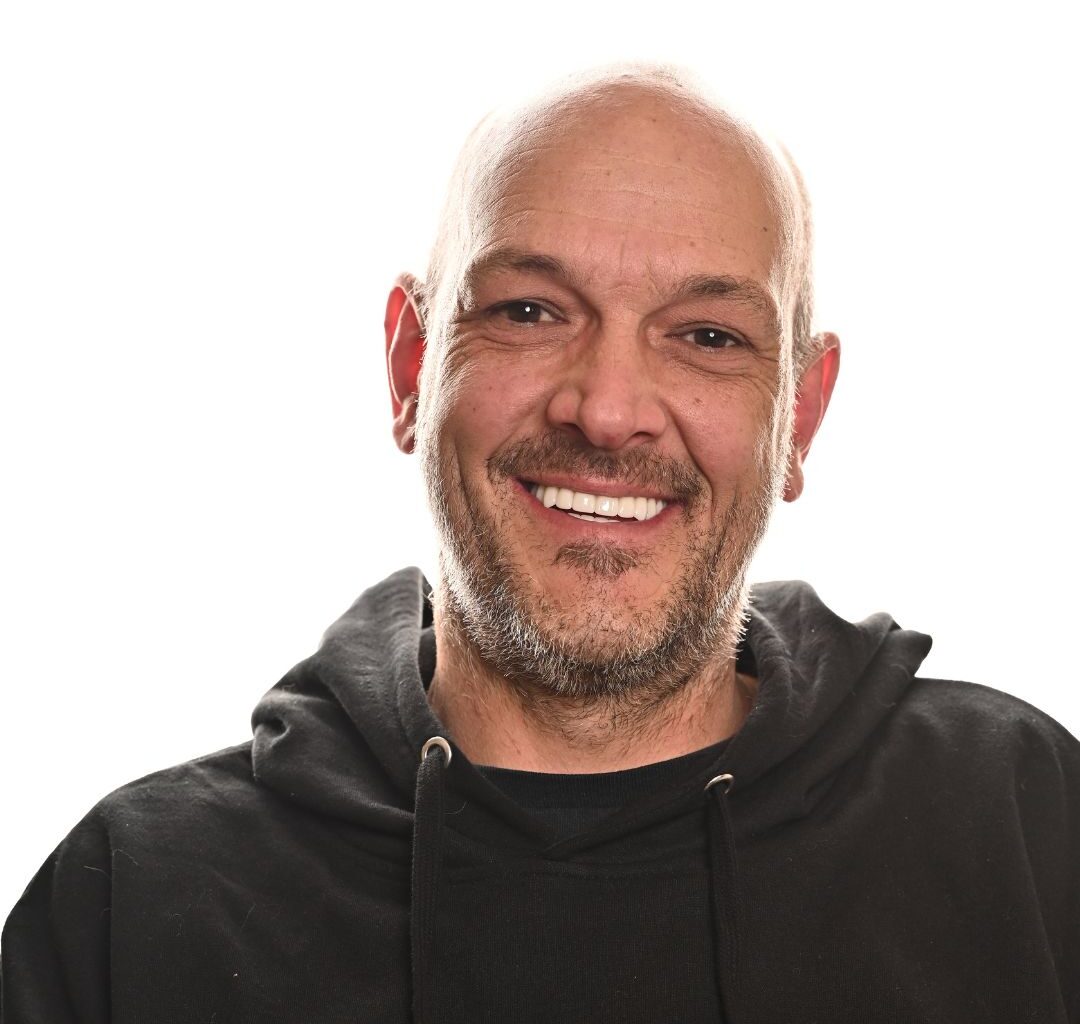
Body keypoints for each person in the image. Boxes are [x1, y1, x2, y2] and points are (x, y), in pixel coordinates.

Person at [3, 62, 1078, 1024]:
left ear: (799, 415)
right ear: (411, 368)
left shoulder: (1025, 822)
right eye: (528, 310)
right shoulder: (136, 899)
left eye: (707, 336)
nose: (608, 410)